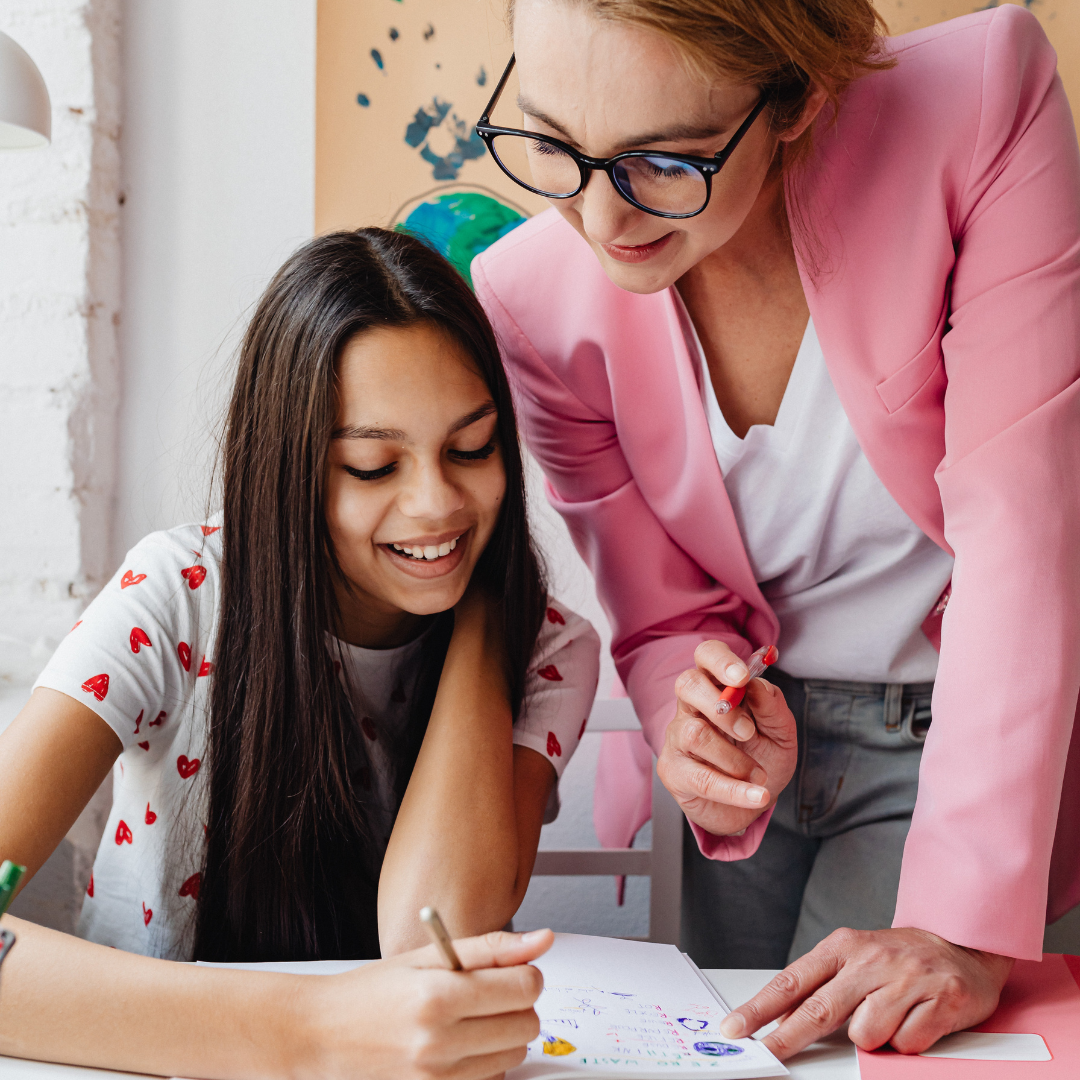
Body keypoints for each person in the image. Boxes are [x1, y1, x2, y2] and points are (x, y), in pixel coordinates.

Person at [472, 0, 1080, 1062]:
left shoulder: (984, 101)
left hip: (960, 742)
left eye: (663, 160)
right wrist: (693, 713)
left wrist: (958, 924)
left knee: (863, 1051)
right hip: (760, 760)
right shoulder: (530, 301)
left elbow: (1025, 523)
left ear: (796, 96)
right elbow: (659, 614)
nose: (601, 224)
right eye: (553, 141)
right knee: (719, 1052)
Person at [0, 227, 600, 1078]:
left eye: (472, 448)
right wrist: (310, 1031)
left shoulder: (549, 648)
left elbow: (437, 923)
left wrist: (481, 613)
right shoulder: (174, 595)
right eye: (370, 465)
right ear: (289, 472)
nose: (436, 502)